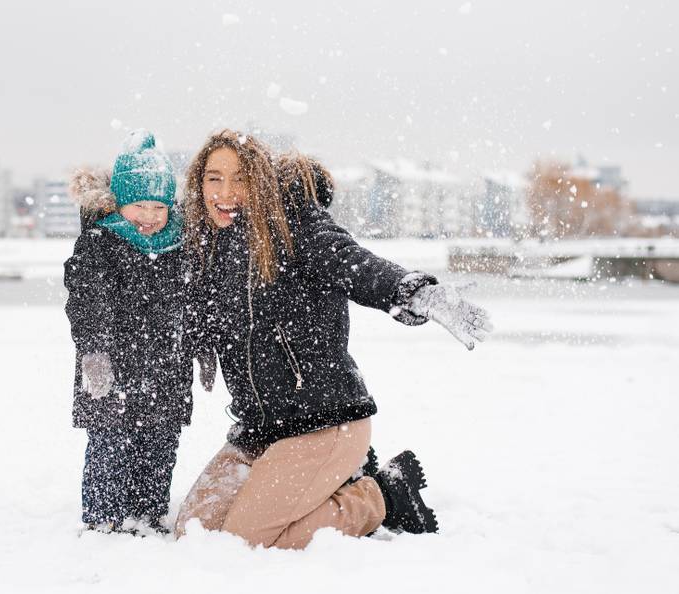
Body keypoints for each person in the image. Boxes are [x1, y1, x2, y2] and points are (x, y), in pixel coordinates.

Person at [174, 130, 491, 549]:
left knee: (245, 541)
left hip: (323, 422)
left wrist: (412, 291)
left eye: (241, 179)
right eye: (214, 179)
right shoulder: (208, 247)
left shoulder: (295, 227)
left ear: (261, 182)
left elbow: (353, 262)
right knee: (193, 533)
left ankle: (382, 496)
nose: (226, 192)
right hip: (259, 431)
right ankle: (334, 480)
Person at [64, 129, 202, 534]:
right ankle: (103, 516)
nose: (149, 215)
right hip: (111, 369)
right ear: (120, 203)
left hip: (167, 371)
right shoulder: (100, 242)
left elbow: (193, 305)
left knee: (159, 446)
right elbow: (87, 301)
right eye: (138, 205)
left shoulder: (181, 244)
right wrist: (94, 351)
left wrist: (203, 348)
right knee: (110, 445)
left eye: (158, 206)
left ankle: (148, 512)